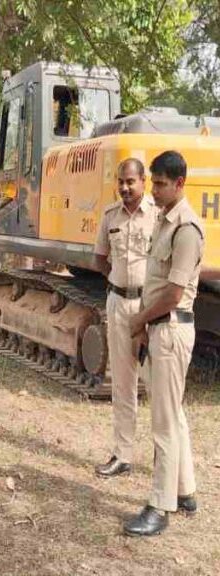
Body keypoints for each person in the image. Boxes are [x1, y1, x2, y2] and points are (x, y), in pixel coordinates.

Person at [125, 151, 203, 537]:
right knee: (174, 415)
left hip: (171, 329)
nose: (153, 190)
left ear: (179, 184)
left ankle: (160, 505)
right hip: (158, 329)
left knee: (164, 423)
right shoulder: (164, 221)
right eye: (152, 182)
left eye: (159, 183)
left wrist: (137, 320)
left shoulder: (186, 229)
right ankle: (186, 491)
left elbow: (172, 294)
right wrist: (143, 326)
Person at [93, 159, 157, 478]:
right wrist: (119, 284)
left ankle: (165, 458)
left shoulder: (158, 217)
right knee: (122, 382)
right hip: (119, 303)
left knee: (157, 384)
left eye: (131, 181)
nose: (125, 187)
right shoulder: (110, 216)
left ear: (143, 181)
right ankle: (123, 453)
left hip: (150, 308)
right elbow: (100, 259)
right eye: (121, 182)